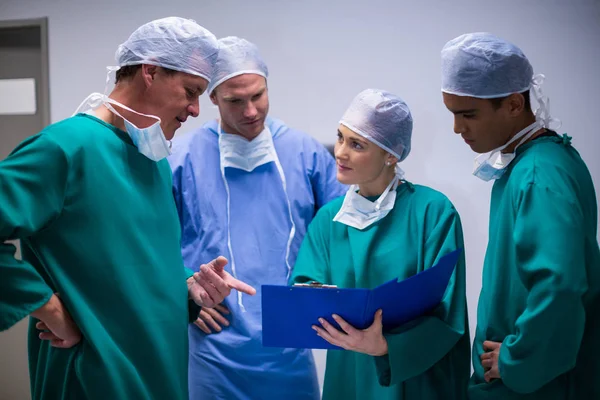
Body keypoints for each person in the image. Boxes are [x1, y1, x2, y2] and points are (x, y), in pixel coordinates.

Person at [0, 17, 254, 400]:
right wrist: (50, 309)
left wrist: (187, 285)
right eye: (190, 90)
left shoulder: (152, 159)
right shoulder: (65, 148)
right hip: (94, 378)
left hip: (158, 373)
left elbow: (127, 259)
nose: (196, 110)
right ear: (150, 71)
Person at [168, 36, 346, 399]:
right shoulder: (180, 159)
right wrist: (182, 298)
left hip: (288, 350)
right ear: (212, 97)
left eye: (258, 96)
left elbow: (341, 236)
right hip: (212, 348)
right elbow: (154, 246)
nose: (251, 111)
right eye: (235, 100)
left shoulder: (305, 154)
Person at [441, 32, 600, 399]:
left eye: (468, 115)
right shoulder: (529, 165)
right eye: (452, 113)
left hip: (537, 385)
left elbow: (559, 285)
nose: (457, 128)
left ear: (514, 104)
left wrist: (517, 359)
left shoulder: (538, 174)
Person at [291, 88, 470, 399]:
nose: (340, 152)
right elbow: (304, 288)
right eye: (341, 137)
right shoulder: (329, 219)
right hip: (350, 373)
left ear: (392, 154)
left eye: (356, 144)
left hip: (414, 378)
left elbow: (449, 312)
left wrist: (386, 346)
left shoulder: (433, 212)